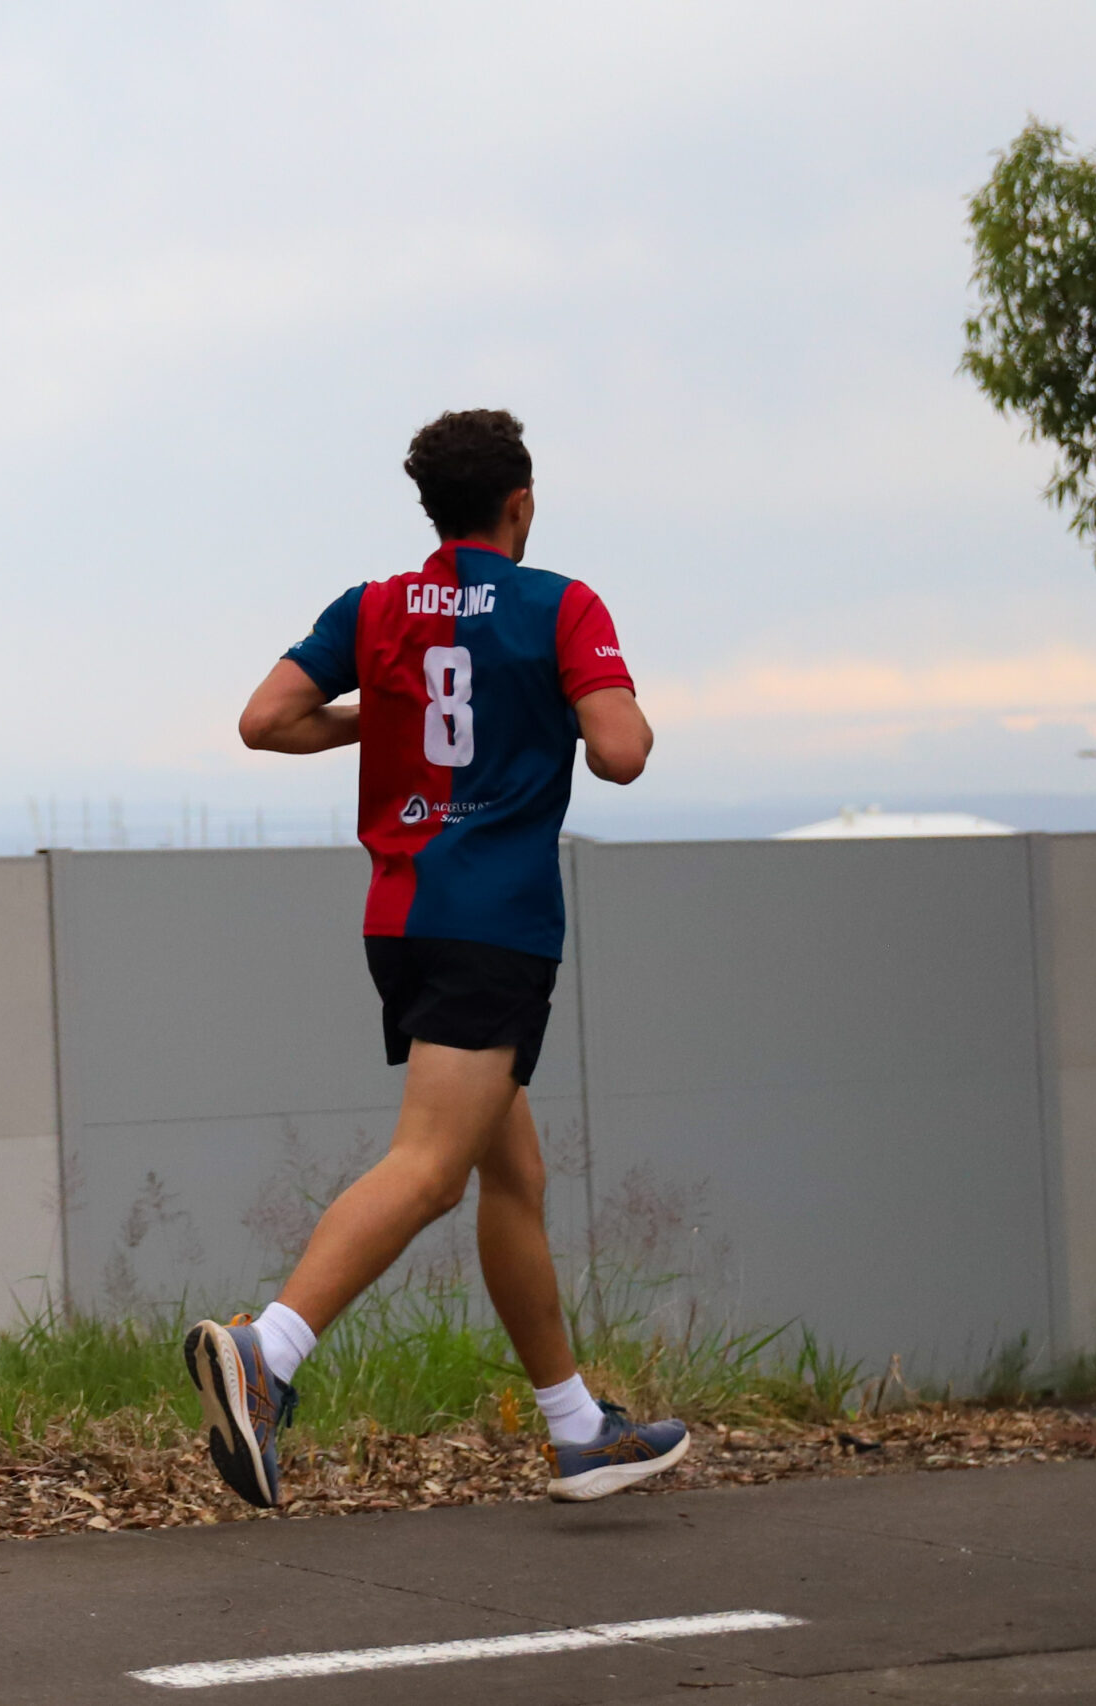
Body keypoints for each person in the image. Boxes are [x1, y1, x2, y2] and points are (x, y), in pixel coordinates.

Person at [183, 409, 687, 1507]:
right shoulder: (559, 605)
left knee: (515, 1174)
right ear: (521, 504)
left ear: (432, 508)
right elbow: (620, 752)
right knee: (429, 1169)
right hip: (493, 927)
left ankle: (577, 1428)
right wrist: (575, 703)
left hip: (401, 920)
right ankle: (268, 1352)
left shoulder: (371, 608)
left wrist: (383, 719)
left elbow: (266, 721)